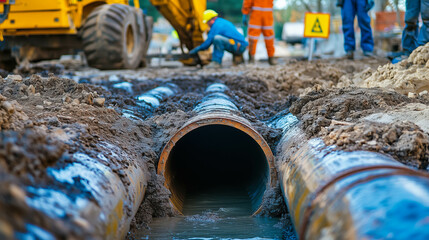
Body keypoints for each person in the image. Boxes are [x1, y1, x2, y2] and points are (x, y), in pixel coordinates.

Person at [242, 0, 276, 65]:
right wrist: (245, 12)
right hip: (256, 15)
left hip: (266, 14)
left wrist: (245, 13)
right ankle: (251, 58)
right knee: (253, 37)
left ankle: (271, 57)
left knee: (269, 37)